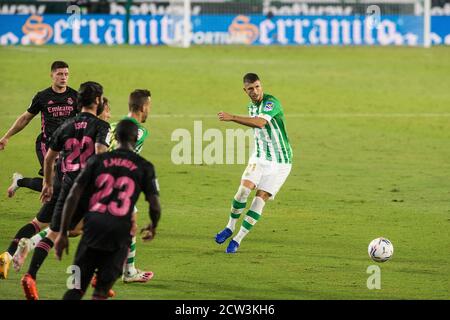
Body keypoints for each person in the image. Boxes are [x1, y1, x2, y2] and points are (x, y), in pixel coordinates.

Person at [18, 81, 110, 300]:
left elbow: (49, 158)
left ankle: (30, 275)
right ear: (97, 101)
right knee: (104, 231)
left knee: (53, 232)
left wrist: (48, 184)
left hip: (66, 185)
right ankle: (98, 280)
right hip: (87, 189)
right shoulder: (101, 126)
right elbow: (99, 154)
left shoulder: (66, 125)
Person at [55, 119, 161, 300]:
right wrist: (153, 226)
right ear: (136, 139)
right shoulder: (145, 166)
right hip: (120, 234)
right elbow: (155, 205)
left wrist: (63, 232)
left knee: (75, 289)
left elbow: (73, 196)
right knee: (101, 293)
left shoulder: (96, 160)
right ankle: (122, 277)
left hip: (92, 229)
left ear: (115, 137)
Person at [215, 73, 293, 253]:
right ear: (245, 90)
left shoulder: (271, 102)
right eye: (251, 88)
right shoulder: (251, 107)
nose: (255, 91)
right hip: (259, 157)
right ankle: (229, 227)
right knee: (243, 191)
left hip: (281, 162)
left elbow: (259, 123)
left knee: (259, 200)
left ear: (261, 86)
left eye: (257, 86)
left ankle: (237, 239)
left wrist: (232, 117)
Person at [0, 61, 78, 197]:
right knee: (54, 182)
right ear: (52, 75)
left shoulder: (75, 96)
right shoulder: (42, 97)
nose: (63, 77)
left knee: (63, 183)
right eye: (60, 74)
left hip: (68, 146)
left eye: (66, 74)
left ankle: (20, 181)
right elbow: (25, 118)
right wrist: (7, 136)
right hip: (46, 144)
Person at [106, 89, 153, 283]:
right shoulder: (140, 131)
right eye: (149, 106)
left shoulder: (111, 125)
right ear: (143, 107)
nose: (149, 110)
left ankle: (128, 271)